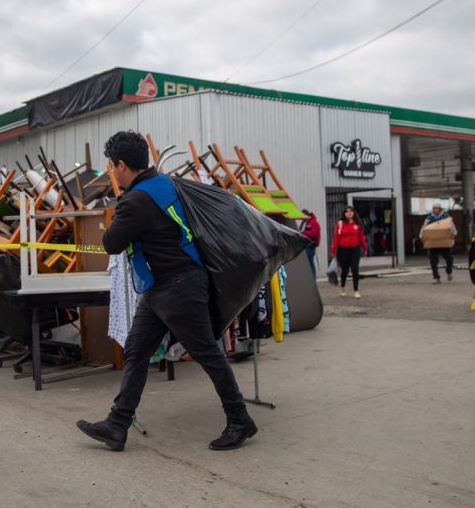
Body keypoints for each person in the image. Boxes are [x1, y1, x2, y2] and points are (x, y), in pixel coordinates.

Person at [76, 131, 257, 452]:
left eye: (111, 166)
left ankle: (240, 418)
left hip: (177, 286)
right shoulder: (164, 183)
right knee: (136, 350)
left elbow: (112, 243)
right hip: (164, 287)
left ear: (121, 165)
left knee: (207, 353)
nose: (111, 172)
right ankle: (118, 424)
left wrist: (118, 211)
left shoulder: (135, 200)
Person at [330, 205, 368, 299]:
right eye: (347, 211)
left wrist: (365, 248)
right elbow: (336, 238)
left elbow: (361, 238)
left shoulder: (357, 224)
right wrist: (333, 250)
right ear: (344, 214)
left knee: (355, 269)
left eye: (351, 211)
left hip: (355, 250)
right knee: (345, 270)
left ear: (353, 213)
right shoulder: (340, 223)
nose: (349, 213)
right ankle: (342, 288)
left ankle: (356, 291)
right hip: (343, 250)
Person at [421, 204, 457, 284]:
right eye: (433, 208)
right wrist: (422, 236)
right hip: (433, 243)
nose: (434, 210)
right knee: (433, 261)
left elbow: (452, 227)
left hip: (444, 242)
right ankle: (436, 277)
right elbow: (424, 228)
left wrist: (453, 233)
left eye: (435, 208)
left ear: (440, 209)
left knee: (449, 258)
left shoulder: (446, 217)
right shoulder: (429, 218)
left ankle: (449, 271)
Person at [300, 209, 321, 277]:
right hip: (307, 245)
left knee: (309, 264)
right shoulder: (308, 222)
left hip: (310, 246)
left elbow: (314, 233)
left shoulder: (313, 222)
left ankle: (312, 278)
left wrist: (302, 233)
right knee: (309, 263)